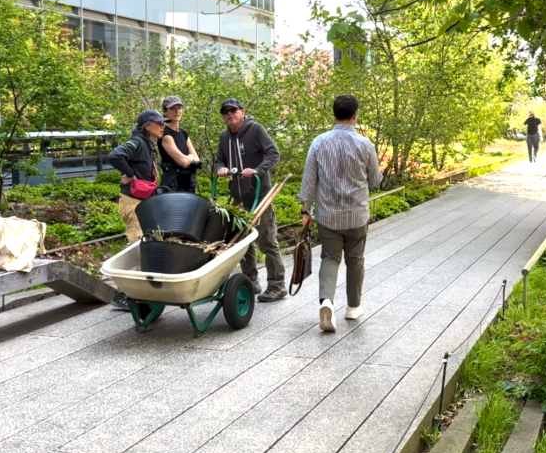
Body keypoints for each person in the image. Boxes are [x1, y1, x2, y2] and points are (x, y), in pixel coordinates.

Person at [299, 95, 383, 332]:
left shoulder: (319, 142)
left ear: (334, 114)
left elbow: (308, 182)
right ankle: (353, 308)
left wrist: (306, 210)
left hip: (328, 215)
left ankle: (326, 301)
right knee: (355, 259)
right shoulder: (365, 144)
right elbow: (376, 181)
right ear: (355, 115)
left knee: (330, 258)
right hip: (356, 215)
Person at [213, 98, 287, 302]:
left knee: (267, 241)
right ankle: (250, 281)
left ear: (242, 112)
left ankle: (277, 285)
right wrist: (220, 168)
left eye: (233, 111)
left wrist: (257, 170)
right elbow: (219, 159)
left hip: (259, 195)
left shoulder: (256, 130)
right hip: (238, 198)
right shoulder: (224, 136)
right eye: (225, 112)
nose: (230, 114)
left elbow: (273, 153)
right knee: (244, 243)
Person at [107, 109, 169, 310]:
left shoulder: (149, 144)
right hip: (132, 203)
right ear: (147, 126)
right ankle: (123, 295)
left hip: (141, 202)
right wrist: (130, 174)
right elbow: (115, 155)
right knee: (137, 248)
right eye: (159, 123)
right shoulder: (137, 142)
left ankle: (138, 293)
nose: (163, 126)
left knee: (144, 246)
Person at [158, 96, 201, 193]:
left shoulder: (183, 133)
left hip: (188, 183)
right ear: (165, 111)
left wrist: (187, 159)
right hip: (172, 184)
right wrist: (189, 158)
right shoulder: (165, 133)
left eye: (179, 108)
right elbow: (183, 162)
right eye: (172, 108)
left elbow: (197, 160)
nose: (177, 111)